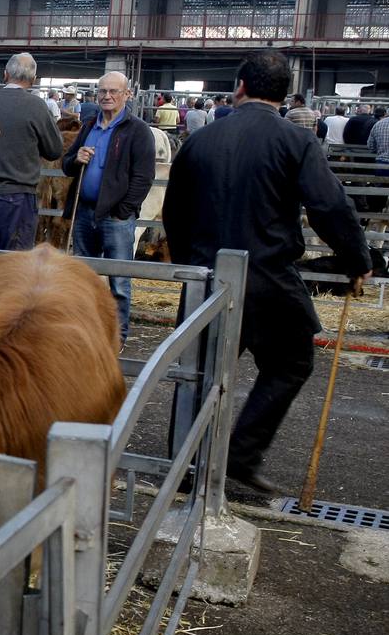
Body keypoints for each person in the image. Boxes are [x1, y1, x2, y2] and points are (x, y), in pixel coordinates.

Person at [164, 50, 371, 499]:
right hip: (268, 278)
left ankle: (184, 462)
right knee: (289, 364)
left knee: (198, 371)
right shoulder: (295, 142)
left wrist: (192, 266)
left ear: (239, 86)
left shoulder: (200, 141)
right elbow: (329, 207)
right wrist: (358, 260)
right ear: (283, 93)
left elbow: (173, 214)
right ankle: (241, 454)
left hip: (207, 275)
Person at [61, 70, 155, 346]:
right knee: (83, 278)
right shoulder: (89, 126)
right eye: (102, 91)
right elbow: (67, 165)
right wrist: (76, 159)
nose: (107, 96)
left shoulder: (137, 131)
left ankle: (118, 337)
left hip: (115, 219)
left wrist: (123, 210)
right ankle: (84, 333)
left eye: (114, 91)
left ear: (127, 95)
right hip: (84, 211)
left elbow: (143, 177)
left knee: (119, 282)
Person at [0, 52, 62, 251]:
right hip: (17, 194)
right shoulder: (36, 105)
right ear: (34, 80)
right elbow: (54, 150)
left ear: (5, 74)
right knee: (14, 264)